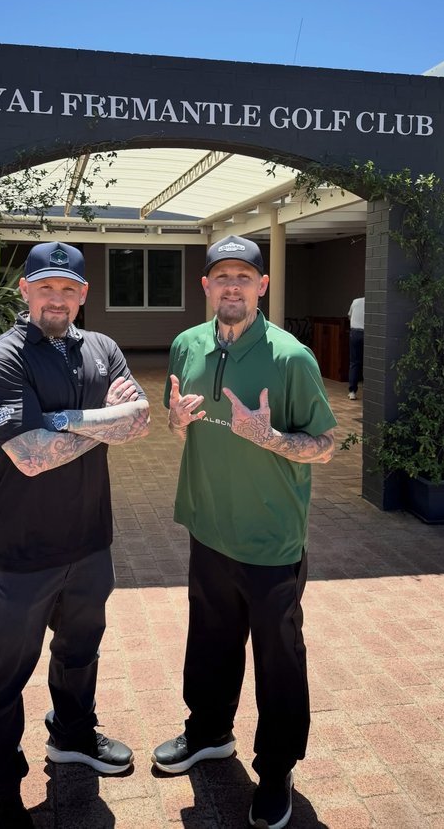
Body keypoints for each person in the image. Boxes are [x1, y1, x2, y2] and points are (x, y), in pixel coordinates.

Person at [151, 235, 337, 829]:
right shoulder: (187, 345)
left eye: (244, 277)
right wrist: (175, 422)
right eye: (222, 276)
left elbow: (326, 445)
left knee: (278, 659)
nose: (233, 286)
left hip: (270, 540)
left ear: (262, 286)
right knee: (209, 639)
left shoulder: (291, 358)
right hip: (208, 525)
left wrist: (272, 438)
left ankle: (277, 768)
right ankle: (208, 732)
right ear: (206, 285)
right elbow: (180, 424)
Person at [0, 241, 150, 829]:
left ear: (83, 294)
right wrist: (104, 422)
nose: (57, 298)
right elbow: (29, 457)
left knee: (80, 651)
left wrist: (62, 420)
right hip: (22, 551)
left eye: (68, 288)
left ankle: (72, 735)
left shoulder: (102, 348)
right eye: (45, 287)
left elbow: (140, 421)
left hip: (90, 539)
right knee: (4, 672)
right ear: (25, 290)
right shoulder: (2, 359)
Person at [347, 295, 365, 400]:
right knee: (369, 362)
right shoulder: (373, 302)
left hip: (355, 333)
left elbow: (349, 316)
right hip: (367, 333)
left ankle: (352, 392)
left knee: (354, 362)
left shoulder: (355, 301)